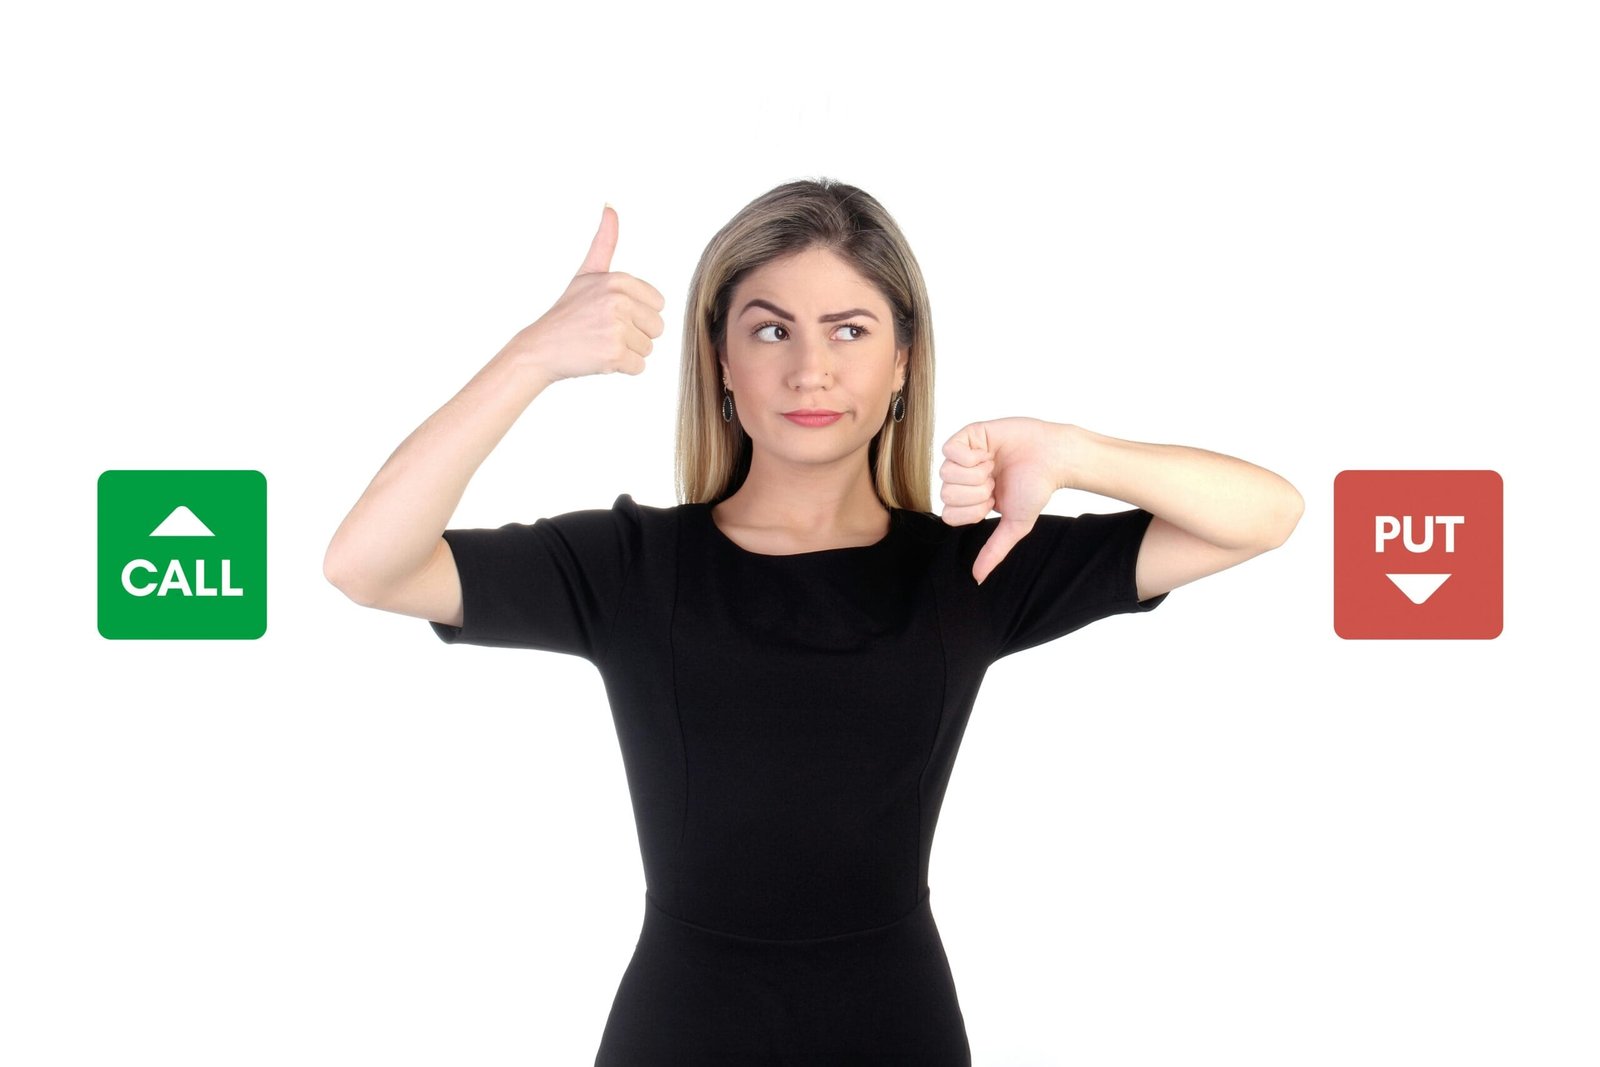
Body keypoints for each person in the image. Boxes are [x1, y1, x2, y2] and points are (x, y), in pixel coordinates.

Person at [324, 178, 1304, 1065]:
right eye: (769, 330)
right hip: (682, 1028)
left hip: (896, 1025)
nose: (808, 370)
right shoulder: (630, 564)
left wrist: (1076, 451)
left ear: (902, 363)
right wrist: (533, 355)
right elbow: (366, 563)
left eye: (847, 330)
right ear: (720, 358)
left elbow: (1266, 515)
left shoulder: (975, 562)